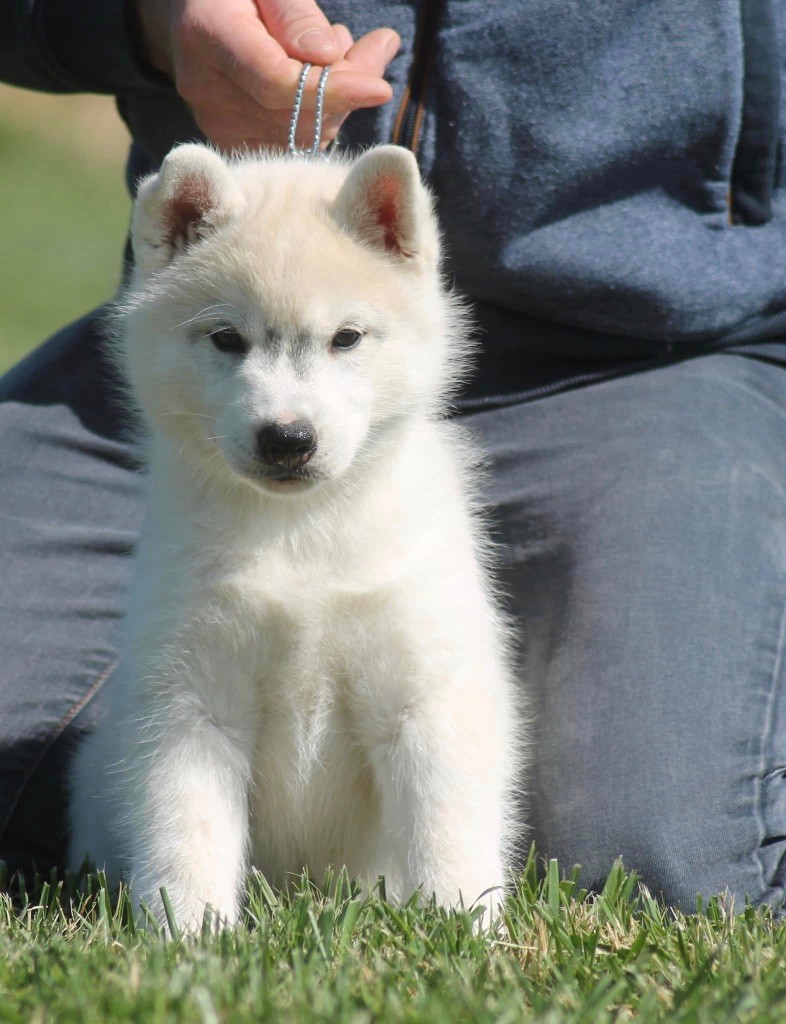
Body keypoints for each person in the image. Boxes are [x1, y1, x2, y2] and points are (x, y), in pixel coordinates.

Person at [2, 0, 786, 913]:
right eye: (230, 345)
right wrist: (144, 17)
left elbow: (432, 713)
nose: (283, 413)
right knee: (111, 761)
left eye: (338, 343)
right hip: (185, 441)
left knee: (662, 861)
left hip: (647, 343)